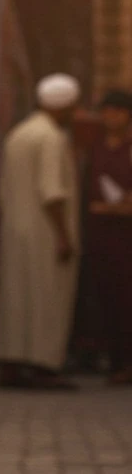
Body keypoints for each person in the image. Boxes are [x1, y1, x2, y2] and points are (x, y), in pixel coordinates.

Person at [0, 73, 81, 390]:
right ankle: (45, 365)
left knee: (17, 298)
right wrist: (64, 235)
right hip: (44, 232)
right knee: (46, 298)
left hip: (16, 229)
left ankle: (11, 363)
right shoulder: (52, 138)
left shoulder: (19, 133)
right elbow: (52, 192)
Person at [82, 90, 132, 385]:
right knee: (105, 296)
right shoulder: (94, 149)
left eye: (118, 111)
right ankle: (114, 360)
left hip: (126, 236)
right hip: (100, 235)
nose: (111, 116)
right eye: (107, 111)